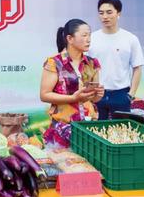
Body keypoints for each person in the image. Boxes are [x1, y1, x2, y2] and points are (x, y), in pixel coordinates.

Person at [40, 19, 105, 147]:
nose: (89, 39)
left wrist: (98, 94)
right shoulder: (54, 63)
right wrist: (73, 98)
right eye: (84, 35)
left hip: (88, 127)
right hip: (62, 129)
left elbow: (94, 99)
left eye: (89, 35)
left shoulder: (93, 63)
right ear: (70, 39)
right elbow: (44, 95)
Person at [88, 0, 144, 120]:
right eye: (101, 13)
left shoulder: (130, 39)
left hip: (121, 94)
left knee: (121, 132)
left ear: (118, 13)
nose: (105, 16)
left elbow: (137, 68)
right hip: (96, 93)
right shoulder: (91, 39)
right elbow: (84, 68)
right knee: (97, 133)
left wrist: (131, 94)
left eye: (109, 12)